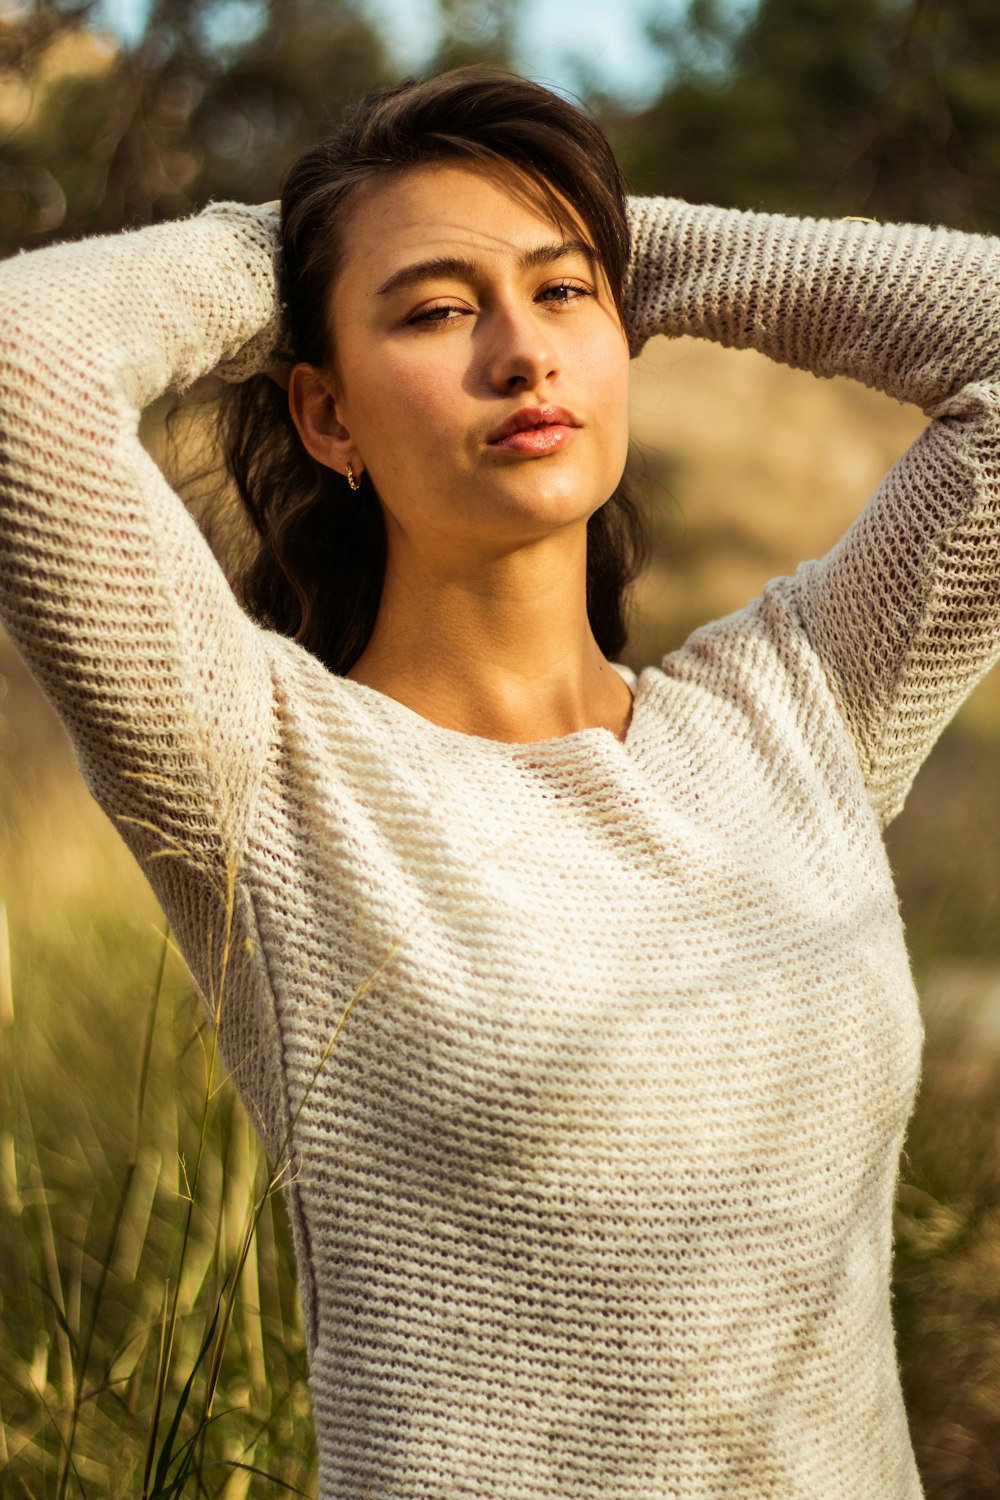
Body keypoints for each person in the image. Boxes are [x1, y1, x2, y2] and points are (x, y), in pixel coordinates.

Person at [0, 63, 997, 1500]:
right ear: (328, 417)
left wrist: (612, 237)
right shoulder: (267, 772)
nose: (523, 355)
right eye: (436, 312)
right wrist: (284, 244)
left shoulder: (801, 709)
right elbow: (25, 360)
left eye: (564, 298)